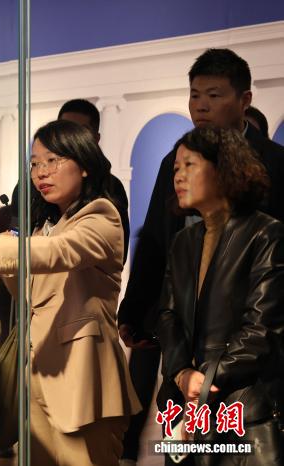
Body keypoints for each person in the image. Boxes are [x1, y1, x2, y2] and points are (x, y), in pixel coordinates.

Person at [117, 49, 284, 464]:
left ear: (244, 100)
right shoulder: (174, 166)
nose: (201, 106)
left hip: (250, 350)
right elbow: (155, 239)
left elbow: (266, 307)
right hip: (188, 343)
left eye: (214, 95)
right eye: (195, 95)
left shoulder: (276, 166)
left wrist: (208, 375)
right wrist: (136, 310)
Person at [0, 120, 141, 466]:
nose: (41, 172)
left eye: (53, 160)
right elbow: (30, 287)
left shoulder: (101, 215)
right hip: (40, 376)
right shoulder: (47, 226)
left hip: (83, 381)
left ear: (84, 164)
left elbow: (58, 252)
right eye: (35, 163)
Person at [157, 126, 283, 465]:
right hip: (187, 407)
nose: (178, 176)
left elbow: (262, 328)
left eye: (190, 165)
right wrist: (182, 373)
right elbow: (167, 316)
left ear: (223, 168)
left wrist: (205, 379)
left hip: (243, 406)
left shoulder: (265, 233)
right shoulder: (183, 242)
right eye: (176, 168)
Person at [58, 98, 130, 263]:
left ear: (96, 138)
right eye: (66, 129)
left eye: (81, 132)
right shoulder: (34, 184)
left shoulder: (110, 187)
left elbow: (117, 251)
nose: (72, 138)